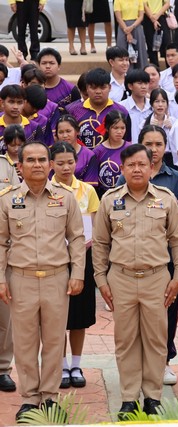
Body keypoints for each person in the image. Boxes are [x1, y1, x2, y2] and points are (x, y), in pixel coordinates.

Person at [93, 144, 178, 419]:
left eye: (141, 164)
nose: (136, 169)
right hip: (120, 278)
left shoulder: (166, 198)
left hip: (157, 278)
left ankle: (153, 397)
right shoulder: (110, 200)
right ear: (122, 168)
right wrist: (101, 279)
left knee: (156, 340)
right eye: (131, 165)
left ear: (150, 167)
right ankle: (129, 398)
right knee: (126, 340)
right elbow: (99, 243)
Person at [0, 141, 85, 422]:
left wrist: (78, 273)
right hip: (20, 279)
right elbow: (0, 243)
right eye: (30, 160)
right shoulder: (7, 199)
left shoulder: (65, 197)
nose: (37, 164)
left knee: (52, 341)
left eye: (41, 160)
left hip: (56, 279)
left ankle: (49, 397)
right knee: (24, 343)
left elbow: (76, 238)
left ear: (50, 165)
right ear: (20, 167)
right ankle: (29, 398)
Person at [115, 125, 178, 387]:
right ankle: (133, 380)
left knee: (164, 319)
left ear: (165, 147)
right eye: (150, 143)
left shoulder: (176, 180)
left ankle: (163, 365)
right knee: (130, 328)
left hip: (164, 263)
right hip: (130, 263)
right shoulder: (122, 184)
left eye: (159, 144)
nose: (155, 149)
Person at [49, 142, 98, 390]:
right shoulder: (46, 191)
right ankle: (61, 364)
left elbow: (96, 227)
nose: (66, 167)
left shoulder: (87, 191)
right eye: (60, 163)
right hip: (54, 260)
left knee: (78, 316)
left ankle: (76, 364)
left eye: (70, 162)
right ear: (51, 164)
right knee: (55, 317)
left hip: (83, 259)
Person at [65, 68, 130, 150]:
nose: (98, 91)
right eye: (94, 88)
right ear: (87, 88)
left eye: (102, 88)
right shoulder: (71, 110)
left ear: (110, 87)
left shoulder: (121, 112)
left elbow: (127, 142)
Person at [0, 149, 20, 394]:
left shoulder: (5, 166)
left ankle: (2, 368)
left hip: (3, 248)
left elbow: (17, 204)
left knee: (5, 316)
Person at [55, 115, 99, 186]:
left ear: (77, 131)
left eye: (68, 131)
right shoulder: (51, 155)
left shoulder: (89, 155)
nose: (65, 135)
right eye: (61, 132)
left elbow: (90, 187)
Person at [37, 49, 81, 113]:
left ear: (59, 66)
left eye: (52, 63)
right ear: (39, 66)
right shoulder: (34, 89)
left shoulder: (71, 90)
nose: (48, 66)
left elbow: (77, 113)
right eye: (44, 63)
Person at [115, 0, 148, 70]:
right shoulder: (118, 1)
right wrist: (128, 32)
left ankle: (141, 73)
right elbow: (118, 18)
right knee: (122, 51)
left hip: (136, 27)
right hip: (123, 27)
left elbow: (141, 16)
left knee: (139, 51)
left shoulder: (139, 1)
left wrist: (132, 26)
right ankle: (125, 74)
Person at [122, 69, 151, 145]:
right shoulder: (122, 107)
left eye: (146, 83)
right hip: (129, 150)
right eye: (140, 83)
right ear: (130, 86)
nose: (144, 87)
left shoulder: (153, 106)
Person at [142, 0, 170, 67]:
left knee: (166, 43)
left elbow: (167, 4)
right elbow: (144, 5)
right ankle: (154, 69)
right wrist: (153, 19)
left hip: (161, 16)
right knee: (151, 46)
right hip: (148, 18)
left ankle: (169, 68)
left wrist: (157, 16)